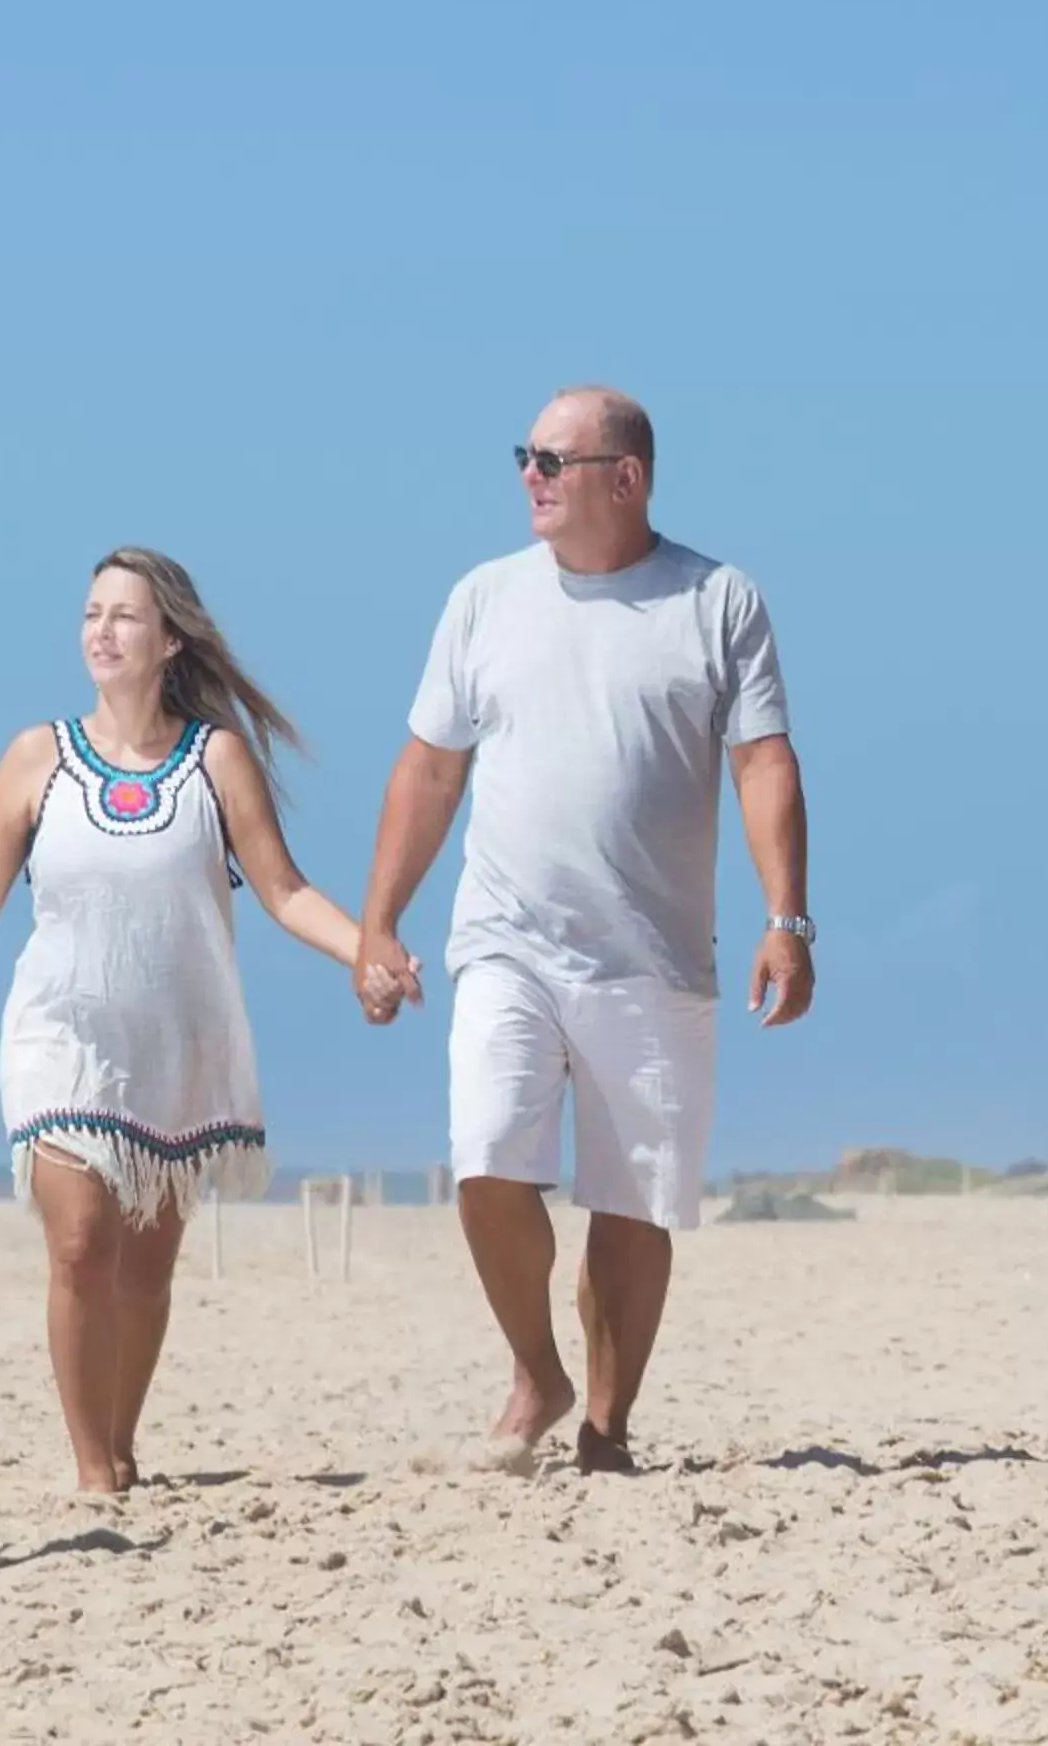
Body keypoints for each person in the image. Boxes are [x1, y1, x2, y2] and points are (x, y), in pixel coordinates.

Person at [354, 384, 812, 1475]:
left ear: (627, 476)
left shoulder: (717, 598)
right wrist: (379, 918)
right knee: (485, 1156)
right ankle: (536, 1370)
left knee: (634, 1201)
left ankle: (606, 1427)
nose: (531, 476)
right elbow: (429, 767)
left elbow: (763, 761)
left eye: (554, 460)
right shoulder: (483, 598)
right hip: (506, 937)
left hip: (655, 949)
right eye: (527, 456)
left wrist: (785, 916)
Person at [0, 547, 365, 1493]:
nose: (101, 631)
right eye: (92, 613)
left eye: (125, 617)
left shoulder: (215, 758)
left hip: (178, 1049)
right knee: (78, 1245)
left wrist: (368, 951)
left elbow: (284, 889)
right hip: (59, 1037)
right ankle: (93, 1468)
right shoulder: (37, 758)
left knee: (144, 1275)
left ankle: (123, 1440)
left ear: (169, 639)